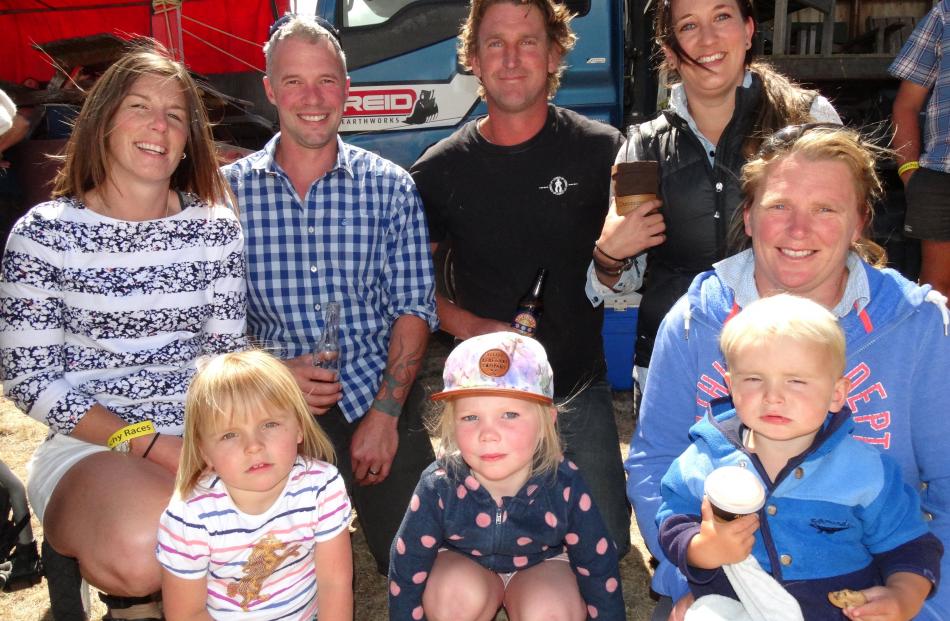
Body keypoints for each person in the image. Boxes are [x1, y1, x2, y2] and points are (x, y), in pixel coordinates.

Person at [625, 124, 950, 621]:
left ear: (859, 222)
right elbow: (656, 460)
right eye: (779, 206)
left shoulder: (917, 324)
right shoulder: (696, 318)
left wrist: (920, 602)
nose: (799, 230)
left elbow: (947, 484)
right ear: (749, 217)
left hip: (872, 586)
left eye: (826, 209)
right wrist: (688, 574)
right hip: (724, 582)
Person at [0, 43, 246, 619]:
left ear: (190, 139)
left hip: (197, 442)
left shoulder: (215, 231)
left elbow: (221, 362)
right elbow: (32, 382)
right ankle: (115, 578)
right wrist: (150, 443)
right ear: (103, 121)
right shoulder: (44, 236)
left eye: (175, 114)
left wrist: (232, 442)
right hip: (94, 443)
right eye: (139, 107)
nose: (158, 125)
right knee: (149, 545)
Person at [411, 0, 631, 556]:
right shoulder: (439, 168)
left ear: (555, 52)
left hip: (577, 388)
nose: (511, 59)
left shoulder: (603, 151)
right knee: (471, 552)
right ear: (474, 60)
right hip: (486, 394)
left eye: (528, 41)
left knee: (605, 543)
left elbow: (634, 268)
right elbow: (409, 286)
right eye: (495, 44)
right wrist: (471, 326)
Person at [222, 15, 438, 575]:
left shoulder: (391, 187)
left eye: (326, 81)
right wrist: (270, 377)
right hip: (268, 409)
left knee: (422, 565)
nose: (312, 98)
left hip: (375, 393)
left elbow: (414, 308)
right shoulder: (227, 195)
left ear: (347, 88)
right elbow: (212, 324)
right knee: (269, 574)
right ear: (270, 89)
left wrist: (387, 415)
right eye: (293, 81)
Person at [588, 0, 841, 394]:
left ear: (749, 30)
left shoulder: (807, 118)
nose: (709, 38)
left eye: (722, 16)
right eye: (689, 26)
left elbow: (847, 247)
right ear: (669, 50)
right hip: (675, 367)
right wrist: (608, 257)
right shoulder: (643, 148)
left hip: (790, 368)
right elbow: (622, 282)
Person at [657, 294, 941, 621]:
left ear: (837, 394)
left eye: (796, 381)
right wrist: (701, 548)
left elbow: (910, 545)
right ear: (731, 386)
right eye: (753, 379)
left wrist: (902, 596)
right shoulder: (705, 460)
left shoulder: (866, 472)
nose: (774, 397)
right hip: (737, 606)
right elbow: (673, 517)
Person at [388, 331, 625, 621]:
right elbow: (407, 561)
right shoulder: (439, 483)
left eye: (510, 415)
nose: (488, 434)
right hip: (463, 562)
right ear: (451, 423)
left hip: (543, 564)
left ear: (545, 421)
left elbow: (598, 562)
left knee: (550, 612)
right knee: (453, 600)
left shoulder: (563, 482)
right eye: (470, 417)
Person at [157, 350, 352, 621]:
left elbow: (335, 584)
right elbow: (187, 614)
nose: (253, 446)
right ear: (204, 452)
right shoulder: (189, 517)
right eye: (229, 434)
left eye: (269, 424)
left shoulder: (322, 486)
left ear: (299, 427)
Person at [890, 1, 950, 297]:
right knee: (937, 291)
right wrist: (908, 171)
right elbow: (906, 105)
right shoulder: (945, 13)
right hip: (941, 175)